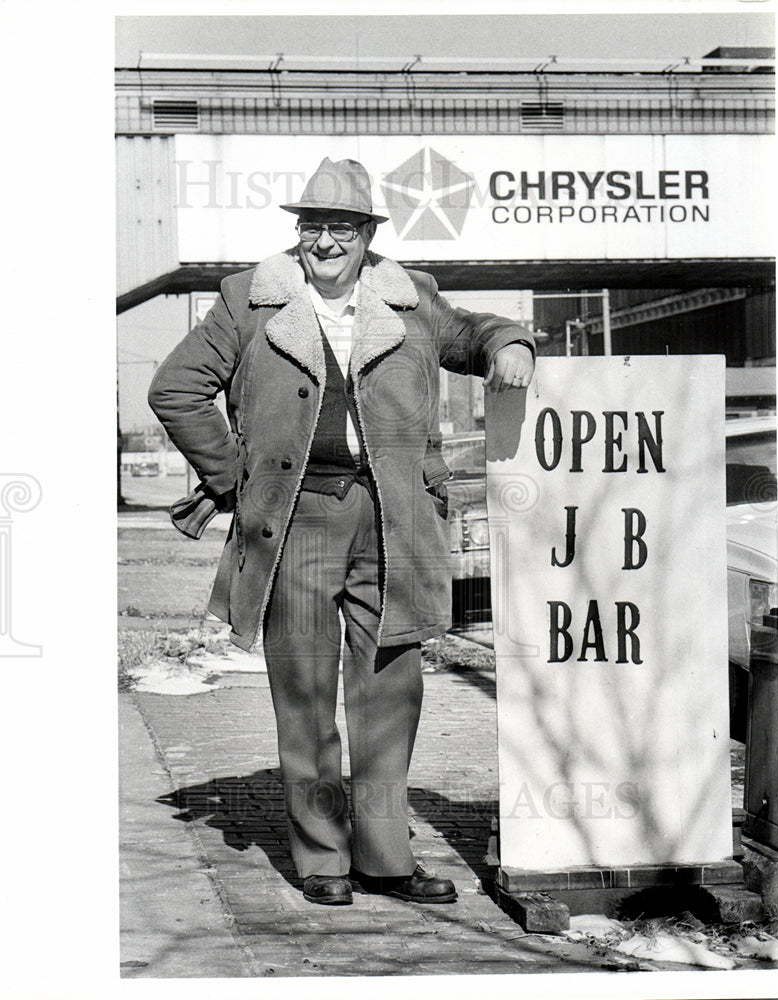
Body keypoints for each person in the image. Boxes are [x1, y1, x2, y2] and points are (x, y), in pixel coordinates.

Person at [149, 157, 535, 906]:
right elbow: (175, 389)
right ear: (300, 234)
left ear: (367, 236)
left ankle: (386, 859)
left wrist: (510, 345)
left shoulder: (411, 297)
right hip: (296, 519)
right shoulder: (246, 302)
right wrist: (234, 480)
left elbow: (475, 332)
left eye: (342, 229)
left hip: (395, 520)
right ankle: (324, 860)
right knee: (303, 691)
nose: (326, 243)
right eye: (313, 227)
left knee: (391, 688)